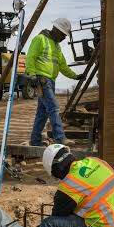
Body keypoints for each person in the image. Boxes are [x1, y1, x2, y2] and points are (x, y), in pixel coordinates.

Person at [25, 18, 84, 147]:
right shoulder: (40, 39)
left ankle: (35, 141)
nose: (63, 38)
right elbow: (30, 57)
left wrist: (75, 76)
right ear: (56, 29)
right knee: (53, 108)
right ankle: (60, 138)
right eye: (63, 35)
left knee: (43, 112)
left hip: (51, 81)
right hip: (42, 80)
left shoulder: (56, 46)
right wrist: (32, 75)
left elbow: (63, 66)